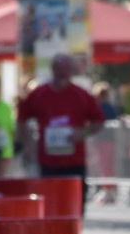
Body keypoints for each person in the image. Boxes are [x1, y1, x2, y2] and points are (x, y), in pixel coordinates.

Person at [18, 54, 105, 203]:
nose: (62, 74)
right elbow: (21, 119)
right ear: (52, 70)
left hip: (74, 161)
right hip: (48, 161)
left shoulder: (81, 95)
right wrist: (27, 145)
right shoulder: (39, 94)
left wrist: (81, 133)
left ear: (71, 71)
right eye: (58, 69)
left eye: (65, 70)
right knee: (50, 204)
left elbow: (99, 121)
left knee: (75, 204)